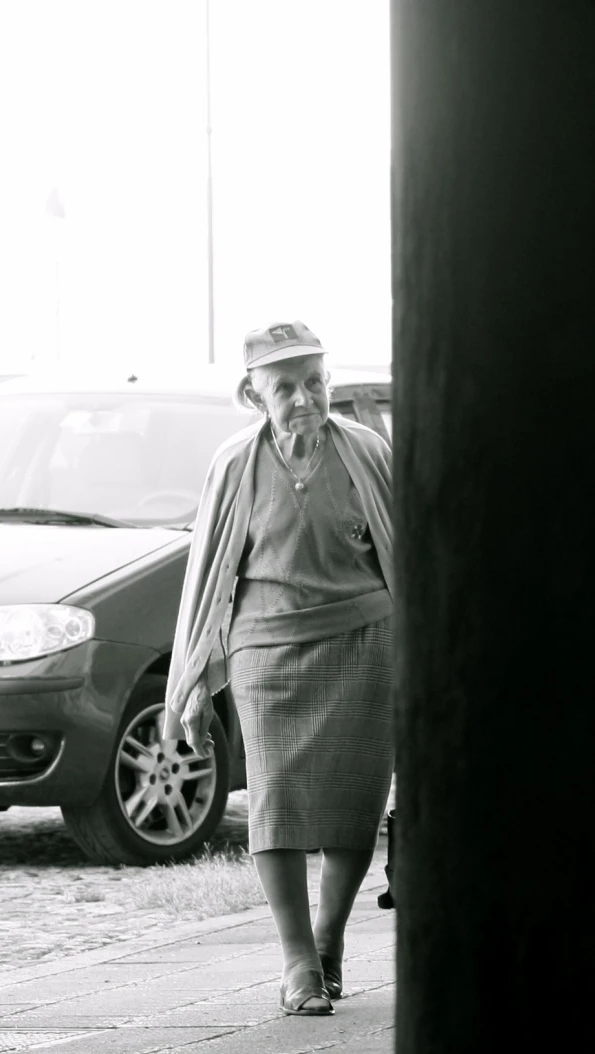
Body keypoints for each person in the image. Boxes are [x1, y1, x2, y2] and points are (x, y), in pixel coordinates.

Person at [163, 322, 396, 1015]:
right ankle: (297, 959)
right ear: (253, 394)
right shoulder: (235, 464)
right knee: (278, 803)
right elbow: (206, 578)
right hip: (266, 650)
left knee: (356, 803)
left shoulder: (367, 452)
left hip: (363, 641)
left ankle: (329, 937)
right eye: (285, 387)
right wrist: (191, 682)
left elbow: (401, 547)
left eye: (314, 382)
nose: (304, 398)